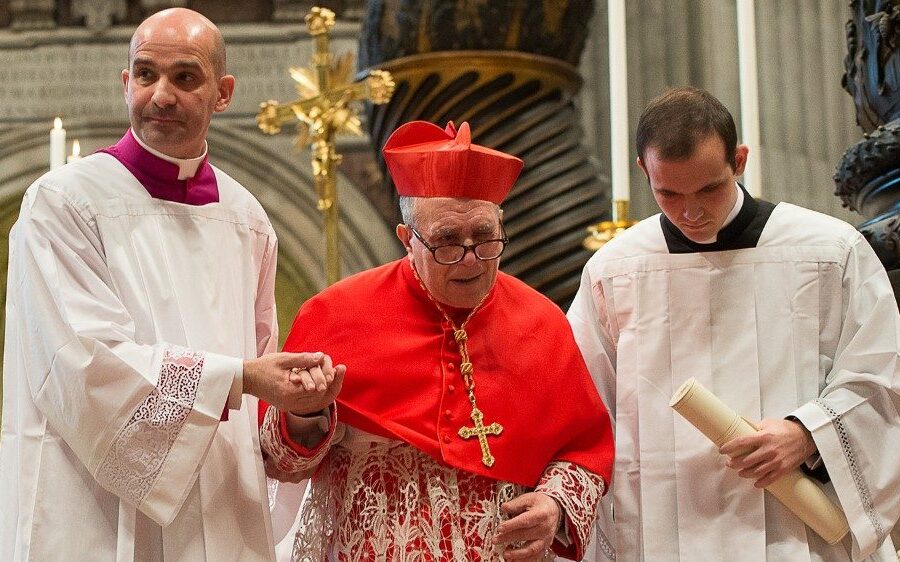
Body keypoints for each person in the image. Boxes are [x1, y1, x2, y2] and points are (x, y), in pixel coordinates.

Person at [0, 8, 341, 561]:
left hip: (222, 510)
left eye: (185, 77)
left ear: (223, 92)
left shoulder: (245, 219)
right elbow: (87, 367)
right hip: (95, 512)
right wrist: (240, 378)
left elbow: (260, 390)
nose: (161, 94)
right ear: (124, 83)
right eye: (144, 74)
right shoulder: (63, 205)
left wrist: (299, 412)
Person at [568, 87, 900, 561]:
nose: (691, 212)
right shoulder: (614, 271)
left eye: (709, 188)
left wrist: (807, 434)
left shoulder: (828, 251)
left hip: (794, 524)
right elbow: (585, 406)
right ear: (644, 171)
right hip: (661, 528)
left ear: (739, 160)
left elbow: (883, 376)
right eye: (669, 193)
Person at [259, 120, 615, 560]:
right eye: (447, 241)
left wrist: (554, 505)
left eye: (485, 238)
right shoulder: (335, 316)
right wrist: (307, 412)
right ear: (407, 240)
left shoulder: (541, 321)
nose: (470, 259)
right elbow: (279, 461)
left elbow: (584, 448)